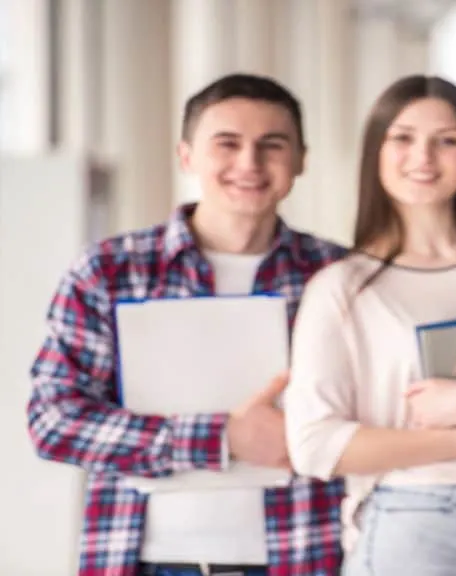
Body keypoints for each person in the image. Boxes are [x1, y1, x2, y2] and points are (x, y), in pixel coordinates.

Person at [26, 74, 347, 576]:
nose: (249, 163)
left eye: (272, 144)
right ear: (187, 155)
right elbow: (54, 421)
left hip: (303, 554)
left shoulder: (339, 275)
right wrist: (224, 438)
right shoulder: (111, 270)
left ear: (301, 159)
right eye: (227, 144)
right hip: (144, 558)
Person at [283, 75, 456, 576]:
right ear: (375, 152)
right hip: (415, 511)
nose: (423, 157)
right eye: (403, 138)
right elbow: (314, 444)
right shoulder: (342, 288)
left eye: (447, 140)